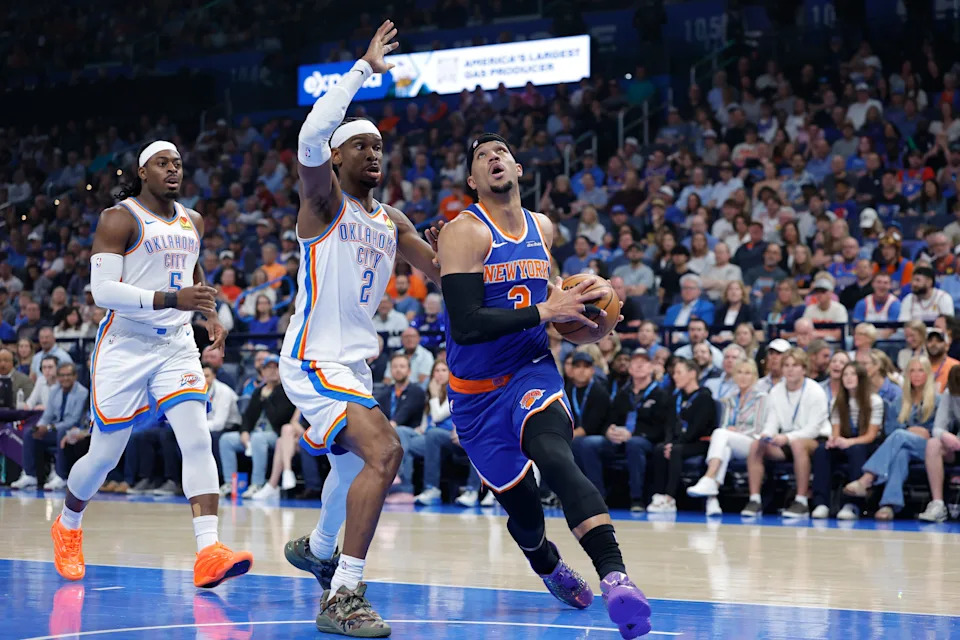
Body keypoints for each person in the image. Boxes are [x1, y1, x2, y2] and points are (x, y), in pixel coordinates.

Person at [437, 131, 651, 638]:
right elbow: (466, 322)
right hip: (476, 394)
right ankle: (547, 563)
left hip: (532, 369)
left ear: (518, 169)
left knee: (557, 457)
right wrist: (547, 308)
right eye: (482, 156)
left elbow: (550, 299)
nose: (494, 158)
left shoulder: (544, 227)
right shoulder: (463, 233)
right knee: (527, 517)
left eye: (502, 152)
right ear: (472, 180)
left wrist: (592, 314)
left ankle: (616, 578)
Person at [277, 22, 445, 636]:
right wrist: (363, 70)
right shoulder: (322, 203)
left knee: (351, 471)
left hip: (354, 363)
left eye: (380, 146)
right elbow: (310, 132)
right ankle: (343, 593)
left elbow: (446, 272)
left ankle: (320, 551)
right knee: (387, 449)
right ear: (337, 157)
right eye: (362, 145)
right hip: (313, 356)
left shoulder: (391, 219)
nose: (375, 152)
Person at [49, 139, 252, 588]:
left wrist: (209, 310)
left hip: (176, 343)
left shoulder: (192, 220)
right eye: (162, 163)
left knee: (197, 437)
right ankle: (67, 524)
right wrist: (170, 298)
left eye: (178, 163)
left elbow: (193, 269)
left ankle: (208, 550)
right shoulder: (119, 218)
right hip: (126, 342)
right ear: (143, 172)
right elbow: (102, 291)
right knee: (104, 454)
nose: (173, 170)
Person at [574, 348, 671, 513]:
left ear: (651, 367)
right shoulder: (622, 394)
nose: (639, 366)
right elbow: (609, 419)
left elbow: (662, 428)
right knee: (587, 443)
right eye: (635, 363)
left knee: (634, 444)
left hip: (644, 440)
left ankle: (637, 498)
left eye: (644, 363)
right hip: (618, 439)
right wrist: (609, 431)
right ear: (630, 368)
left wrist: (633, 434)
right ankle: (597, 496)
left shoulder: (661, 395)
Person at [843, 357, 940, 520]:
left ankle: (867, 478)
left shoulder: (938, 401)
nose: (916, 375)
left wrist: (912, 432)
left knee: (900, 436)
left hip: (930, 450)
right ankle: (889, 505)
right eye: (912, 371)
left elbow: (937, 430)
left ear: (928, 374)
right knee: (901, 452)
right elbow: (890, 430)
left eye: (920, 370)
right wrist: (911, 431)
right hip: (904, 447)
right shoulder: (899, 401)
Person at [741, 348, 831, 518]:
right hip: (786, 438)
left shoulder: (815, 391)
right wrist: (767, 434)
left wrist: (787, 438)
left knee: (797, 445)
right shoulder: (776, 391)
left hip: (815, 439)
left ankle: (801, 500)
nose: (790, 369)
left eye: (795, 365)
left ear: (804, 369)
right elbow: (772, 421)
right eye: (786, 365)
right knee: (756, 445)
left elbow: (813, 429)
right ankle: (754, 499)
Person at [687, 360, 767, 515]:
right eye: (739, 373)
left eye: (747, 373)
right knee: (724, 448)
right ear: (734, 376)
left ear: (754, 377)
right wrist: (729, 431)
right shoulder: (730, 399)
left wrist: (735, 432)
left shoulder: (761, 398)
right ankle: (712, 499)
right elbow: (724, 424)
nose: (743, 377)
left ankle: (708, 478)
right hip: (731, 441)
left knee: (719, 434)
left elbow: (758, 428)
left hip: (753, 443)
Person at [811, 363, 882, 520]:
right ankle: (821, 503)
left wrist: (849, 442)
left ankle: (852, 504)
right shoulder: (837, 401)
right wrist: (833, 441)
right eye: (845, 375)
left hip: (867, 444)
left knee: (857, 450)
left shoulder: (874, 401)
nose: (848, 378)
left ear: (861, 378)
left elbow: (871, 435)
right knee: (823, 450)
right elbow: (836, 430)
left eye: (853, 374)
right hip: (845, 442)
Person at [647, 358, 717, 513]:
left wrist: (675, 444)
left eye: (679, 373)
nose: (674, 377)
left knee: (676, 450)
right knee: (659, 449)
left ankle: (671, 498)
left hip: (699, 442)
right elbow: (669, 425)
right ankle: (659, 494)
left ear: (692, 374)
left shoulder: (704, 397)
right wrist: (668, 442)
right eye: (673, 373)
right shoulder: (676, 397)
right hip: (679, 441)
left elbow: (697, 428)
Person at [413, 360, 487, 506]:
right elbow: (427, 420)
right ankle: (403, 488)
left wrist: (434, 395)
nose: (439, 374)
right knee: (404, 436)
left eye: (443, 370)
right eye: (436, 371)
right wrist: (420, 429)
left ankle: (470, 490)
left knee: (435, 435)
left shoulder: (455, 391)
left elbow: (437, 416)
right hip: (438, 436)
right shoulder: (430, 391)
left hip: (455, 436)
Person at [17, 363, 88, 491]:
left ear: (75, 376)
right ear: (58, 377)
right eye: (62, 375)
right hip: (55, 428)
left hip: (75, 430)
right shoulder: (55, 390)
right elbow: (47, 414)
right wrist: (40, 427)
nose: (65, 378)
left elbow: (74, 419)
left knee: (62, 432)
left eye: (68, 375)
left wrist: (49, 428)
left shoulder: (82, 392)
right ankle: (30, 475)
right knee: (30, 433)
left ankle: (61, 477)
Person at [918, 367, 960, 522]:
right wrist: (945, 435)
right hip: (956, 446)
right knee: (933, 444)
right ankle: (938, 504)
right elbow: (937, 428)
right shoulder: (950, 393)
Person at [924, 327, 959, 392]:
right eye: (930, 340)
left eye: (938, 341)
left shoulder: (956, 366)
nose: (933, 344)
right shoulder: (919, 366)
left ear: (947, 346)